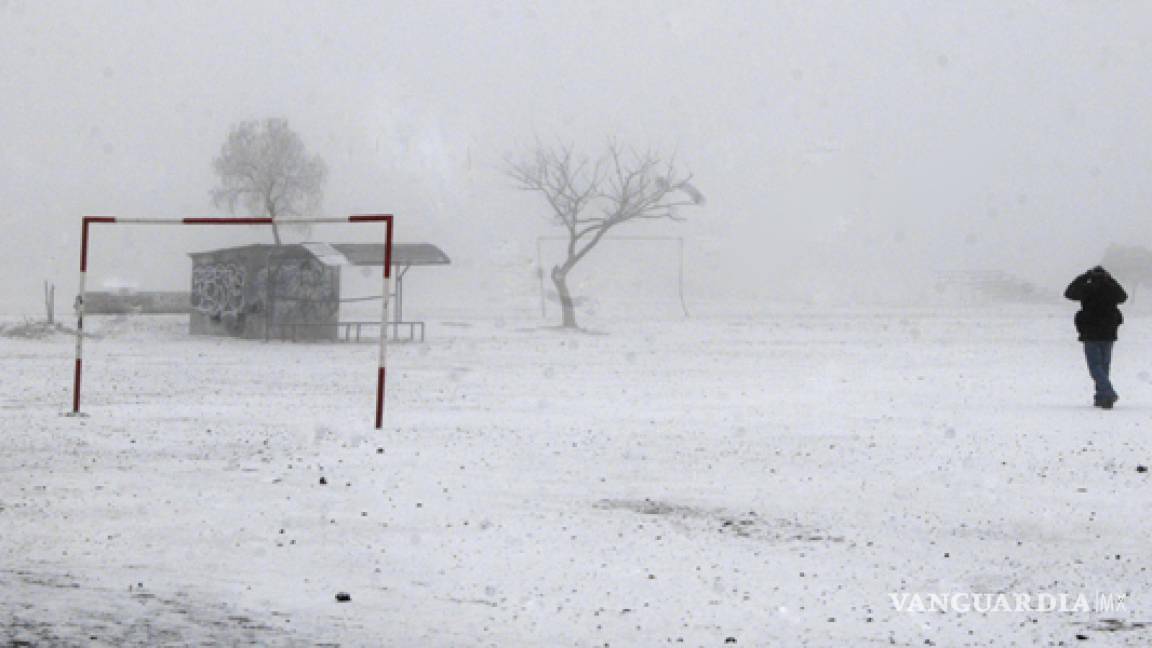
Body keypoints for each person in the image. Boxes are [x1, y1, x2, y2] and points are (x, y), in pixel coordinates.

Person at [1064, 266, 1128, 408]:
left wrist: (1084, 277)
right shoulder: (1111, 289)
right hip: (1108, 331)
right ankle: (1102, 397)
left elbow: (1069, 293)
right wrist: (1110, 280)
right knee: (1104, 365)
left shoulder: (1087, 289)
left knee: (1095, 366)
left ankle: (1107, 393)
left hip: (1090, 331)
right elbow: (1123, 297)